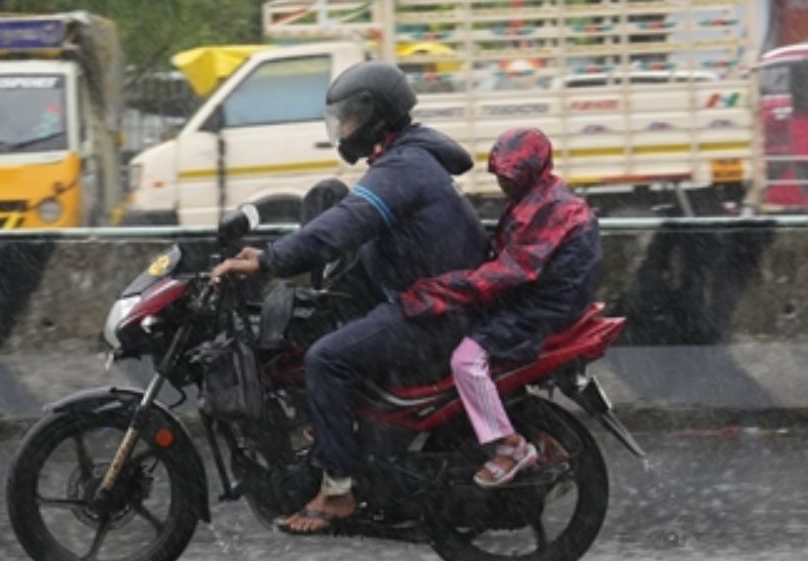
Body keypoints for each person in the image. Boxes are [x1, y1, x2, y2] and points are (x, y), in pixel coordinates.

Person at [211, 61, 487, 534]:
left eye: (350, 118)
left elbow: (346, 225)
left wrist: (268, 261)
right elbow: (342, 217)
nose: (343, 128)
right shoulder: (408, 157)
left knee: (327, 359)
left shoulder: (404, 167)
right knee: (326, 211)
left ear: (377, 115)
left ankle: (337, 490)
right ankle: (331, 425)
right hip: (426, 295)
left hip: (434, 313)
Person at [399, 127, 603, 487]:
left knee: (466, 361)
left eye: (511, 177)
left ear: (530, 172)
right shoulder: (540, 197)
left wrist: (439, 291)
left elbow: (508, 273)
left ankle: (510, 447)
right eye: (501, 177)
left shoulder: (548, 208)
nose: (504, 185)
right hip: (539, 297)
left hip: (540, 309)